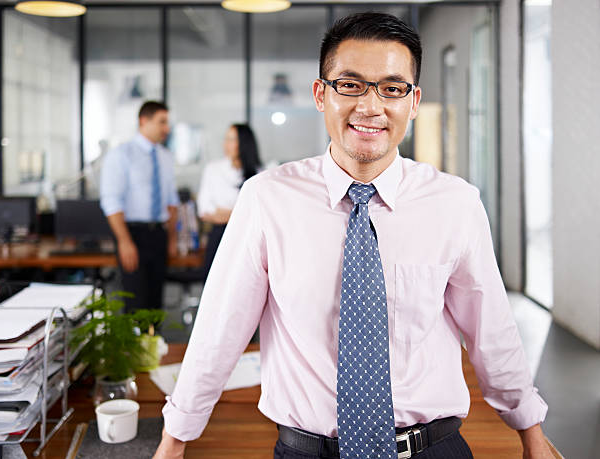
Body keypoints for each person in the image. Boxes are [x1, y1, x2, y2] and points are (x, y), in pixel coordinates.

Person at [154, 13, 553, 459]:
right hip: (308, 451)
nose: (370, 106)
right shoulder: (267, 199)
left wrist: (530, 434)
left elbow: (492, 330)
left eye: (392, 87)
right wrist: (175, 439)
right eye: (350, 84)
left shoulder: (454, 203)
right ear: (321, 95)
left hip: (430, 448)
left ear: (413, 101)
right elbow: (219, 328)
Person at [100, 101, 179, 312]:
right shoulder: (121, 154)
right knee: (136, 303)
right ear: (144, 121)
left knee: (155, 303)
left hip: (158, 235)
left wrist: (171, 237)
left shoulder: (165, 156)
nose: (167, 129)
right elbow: (111, 201)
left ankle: (155, 344)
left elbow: (172, 201)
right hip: (133, 234)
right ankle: (135, 345)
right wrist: (124, 241)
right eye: (162, 122)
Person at [196, 124, 262, 278]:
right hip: (219, 236)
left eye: (232, 140)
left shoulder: (260, 172)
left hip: (247, 238)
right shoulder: (213, 169)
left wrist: (223, 213)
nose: (226, 144)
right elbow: (204, 209)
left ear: (244, 143)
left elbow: (260, 211)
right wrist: (241, 214)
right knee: (214, 282)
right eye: (226, 139)